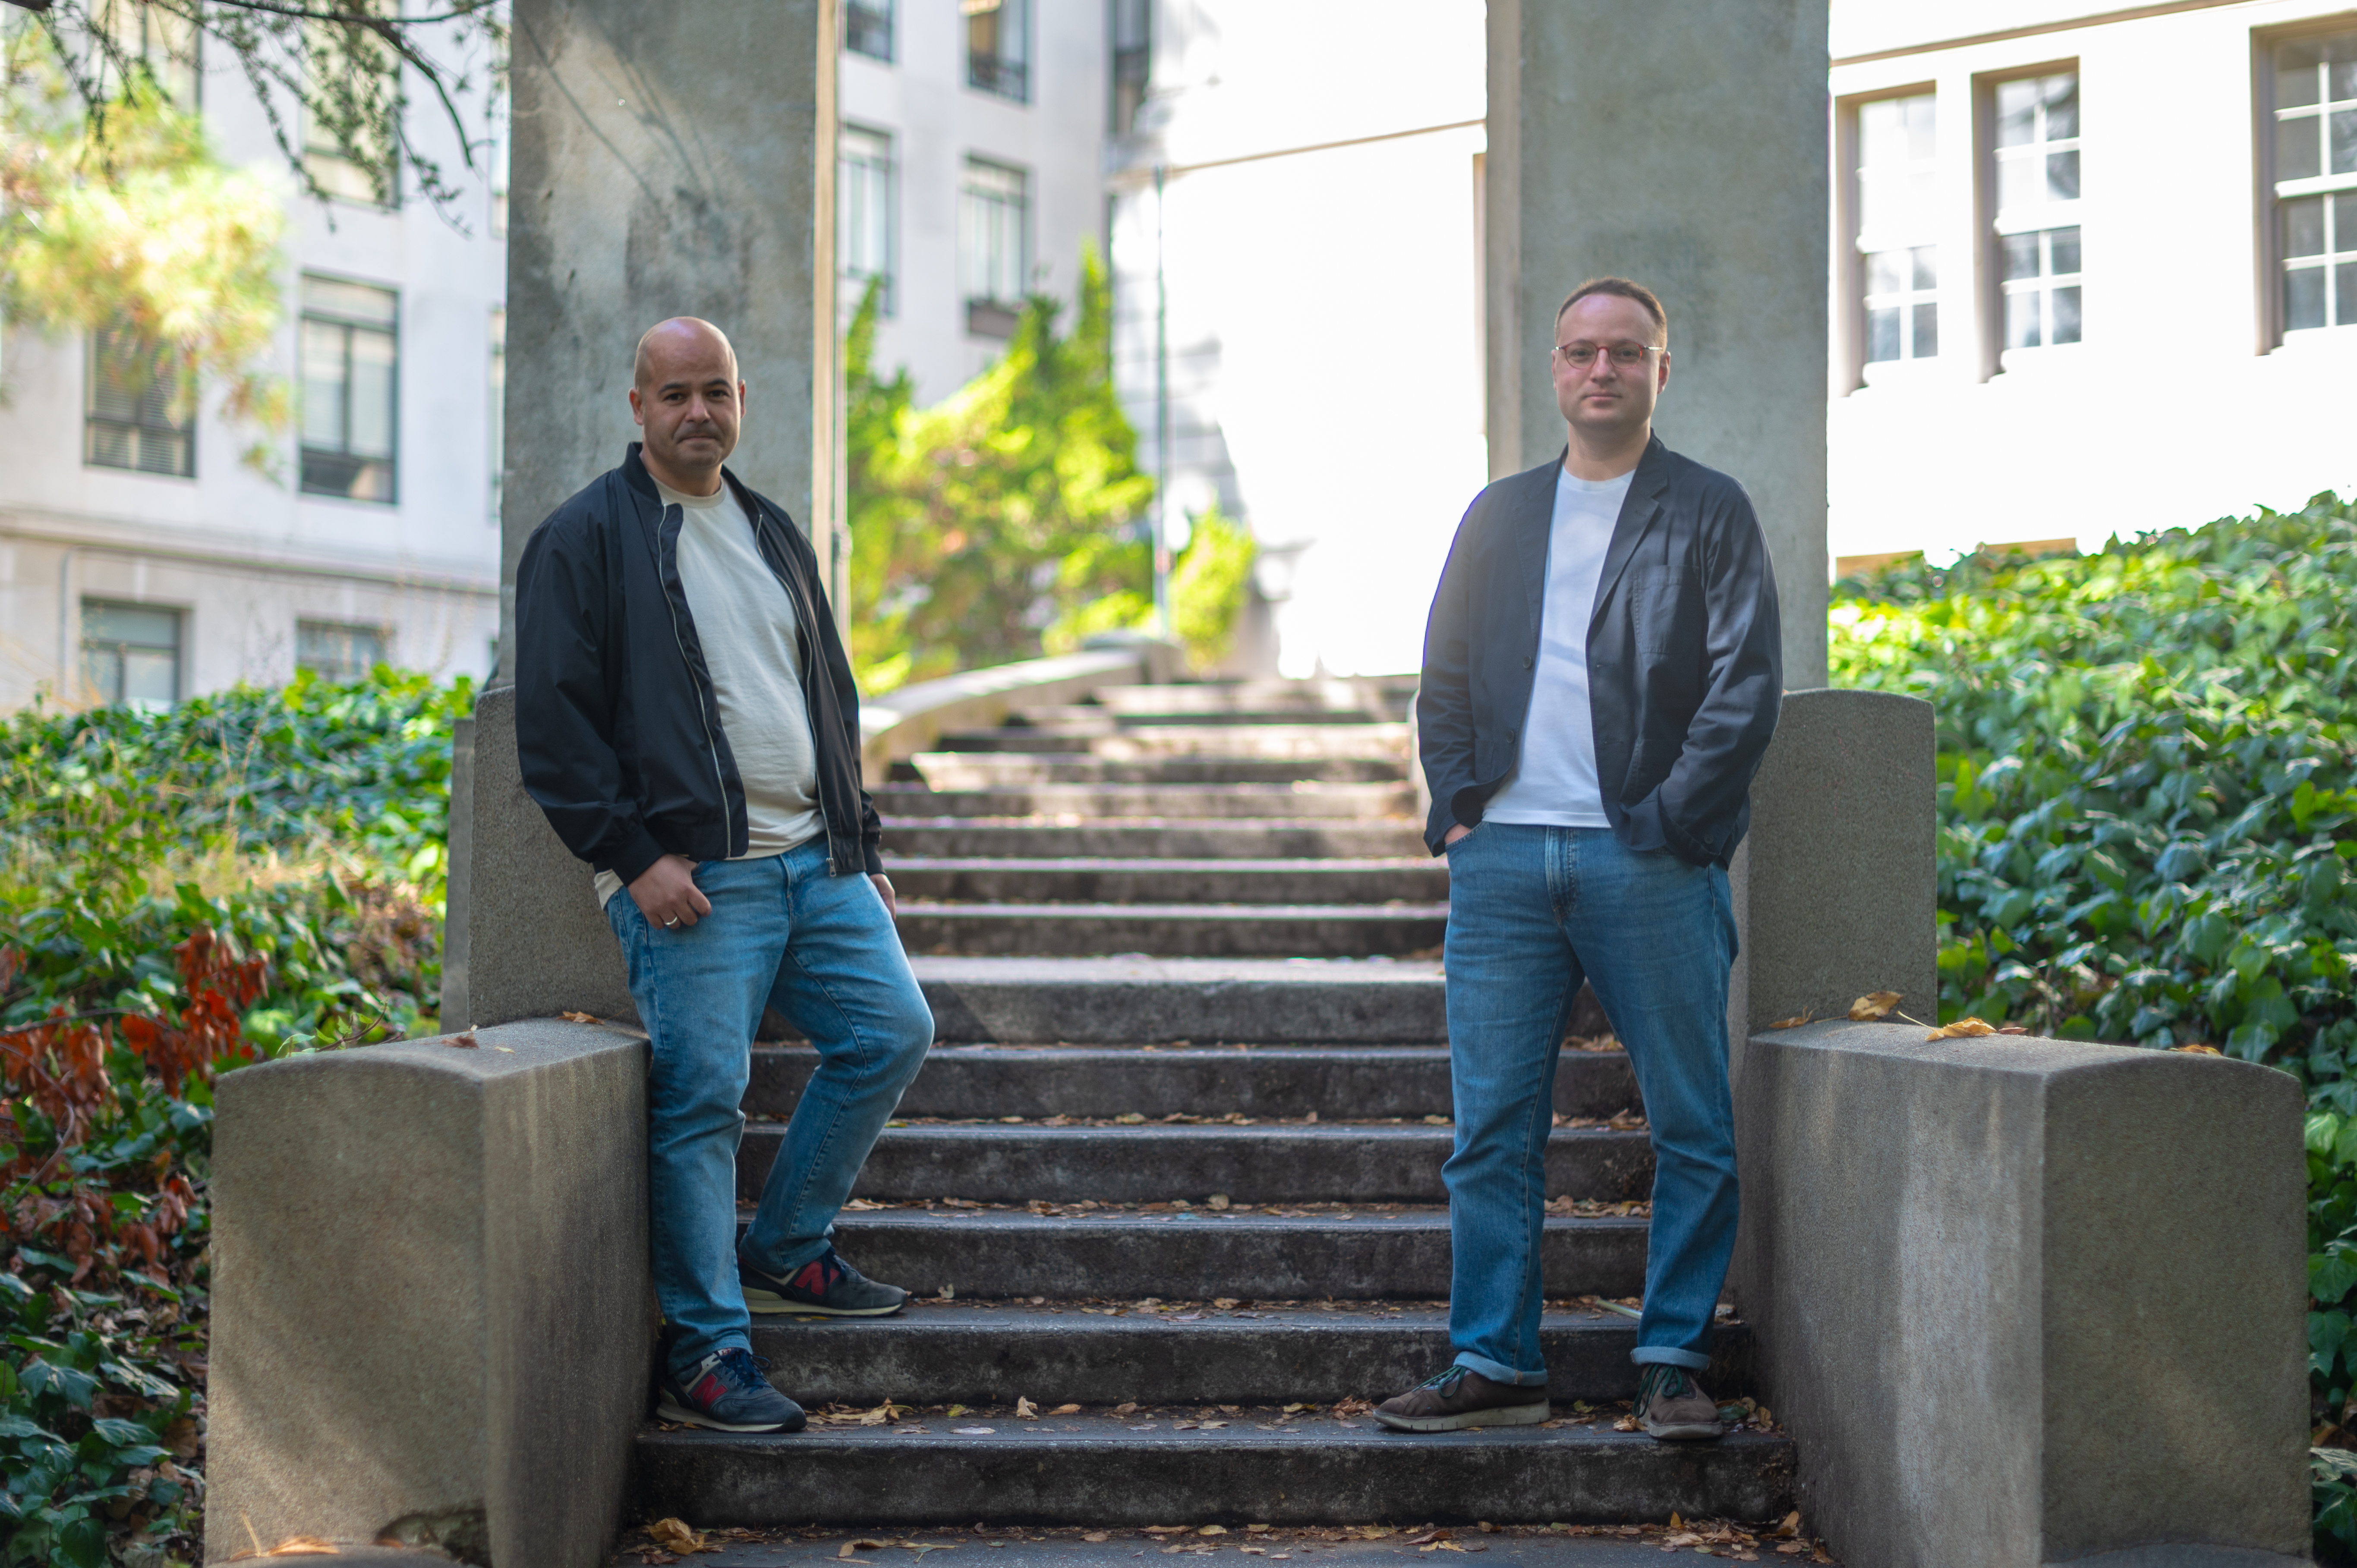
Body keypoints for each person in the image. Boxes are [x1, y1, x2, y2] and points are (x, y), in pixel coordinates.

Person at [514, 317, 932, 1435]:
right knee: (701, 1103)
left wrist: (860, 844)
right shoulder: (585, 538)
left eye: (717, 391)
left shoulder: (770, 528)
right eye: (676, 394)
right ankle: (706, 1352)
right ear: (638, 408)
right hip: (697, 879)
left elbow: (828, 696)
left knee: (892, 1031)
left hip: (814, 861)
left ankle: (784, 1247)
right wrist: (632, 856)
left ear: (742, 399)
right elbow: (551, 726)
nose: (699, 411)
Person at [1383, 277, 1781, 1440]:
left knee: (1692, 1124)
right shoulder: (1499, 516)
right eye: (1580, 351)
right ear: (1554, 368)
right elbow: (1445, 674)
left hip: (1646, 864)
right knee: (1490, 1131)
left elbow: (1744, 687)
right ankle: (1496, 1359)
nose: (1601, 369)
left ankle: (1672, 1361)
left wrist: (1668, 825)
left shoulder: (1708, 510)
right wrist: (1461, 812)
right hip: (1504, 862)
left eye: (1625, 351)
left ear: (1662, 369)